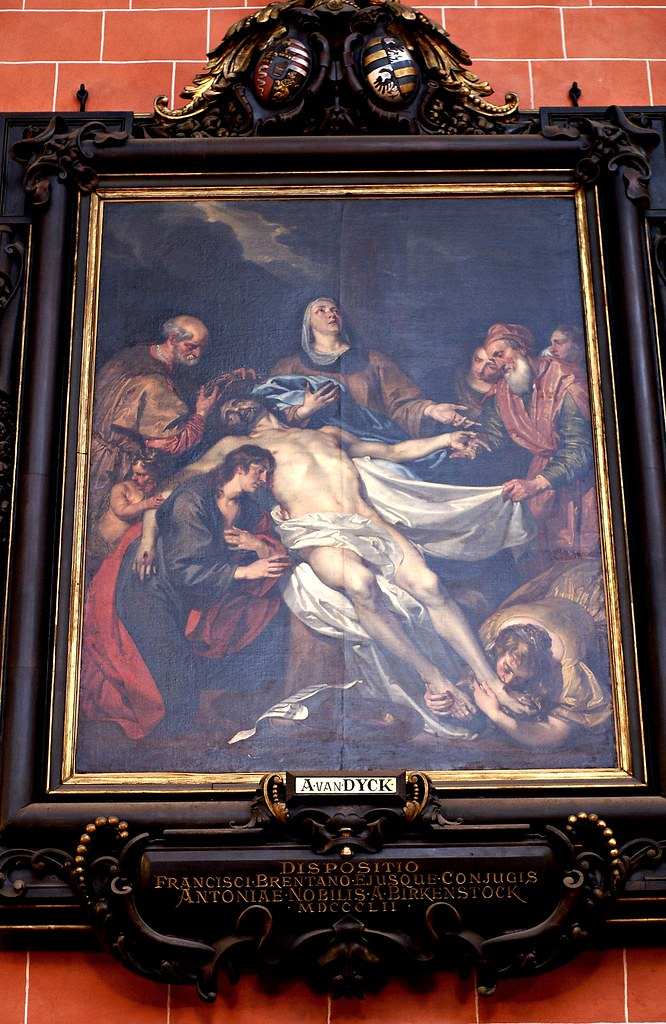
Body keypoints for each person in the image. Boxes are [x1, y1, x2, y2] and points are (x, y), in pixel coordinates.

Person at [137, 393, 534, 735]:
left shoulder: (326, 433)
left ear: (265, 403)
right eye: (227, 411)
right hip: (314, 532)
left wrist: (445, 438)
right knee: (360, 583)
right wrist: (148, 535)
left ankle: (492, 683)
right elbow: (177, 482)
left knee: (429, 584)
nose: (234, 409)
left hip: (367, 523)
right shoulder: (238, 447)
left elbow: (392, 451)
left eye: (239, 402)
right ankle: (434, 679)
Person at [80, 445, 290, 739]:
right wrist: (244, 571)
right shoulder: (194, 499)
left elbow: (277, 554)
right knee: (172, 676)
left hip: (184, 592)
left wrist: (255, 544)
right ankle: (172, 745)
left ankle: (190, 732)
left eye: (269, 473)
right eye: (260, 471)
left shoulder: (248, 508)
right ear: (239, 468)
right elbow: (184, 570)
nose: (265, 479)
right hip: (149, 586)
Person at [89, 315, 221, 527]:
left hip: (93, 449)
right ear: (172, 339)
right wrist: (201, 414)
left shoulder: (133, 355)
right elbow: (170, 444)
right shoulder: (155, 383)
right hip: (113, 465)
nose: (197, 354)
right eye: (191, 346)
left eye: (201, 348)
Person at [270, 297, 473, 436]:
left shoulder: (375, 361)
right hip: (314, 446)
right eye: (321, 310)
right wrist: (303, 411)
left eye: (334, 310)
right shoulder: (290, 366)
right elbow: (268, 410)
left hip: (372, 443)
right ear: (307, 323)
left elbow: (401, 404)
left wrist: (430, 410)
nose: (331, 314)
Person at [87, 451, 164, 572]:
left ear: (154, 474)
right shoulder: (122, 488)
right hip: (101, 543)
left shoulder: (154, 491)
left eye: (140, 474)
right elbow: (121, 511)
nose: (134, 478)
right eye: (134, 473)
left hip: (120, 548)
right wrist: (146, 504)